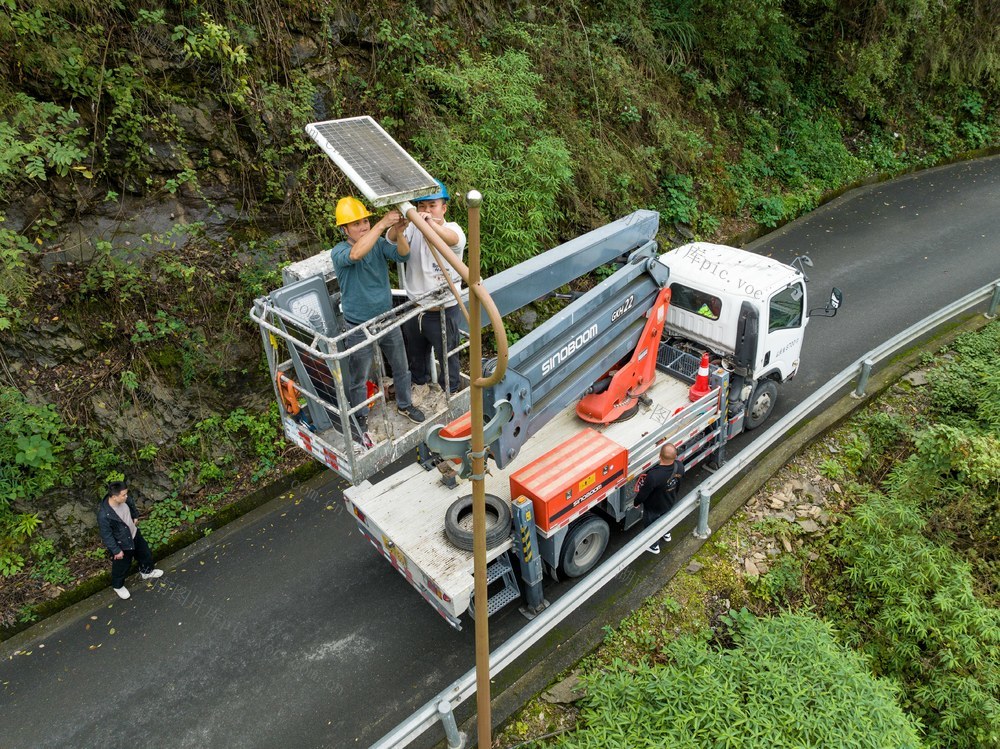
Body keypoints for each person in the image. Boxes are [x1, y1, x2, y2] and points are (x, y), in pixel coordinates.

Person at [330, 196, 425, 436]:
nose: (363, 226)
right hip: (358, 324)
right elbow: (355, 255)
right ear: (344, 230)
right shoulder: (340, 251)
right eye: (356, 224)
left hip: (386, 318)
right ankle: (360, 417)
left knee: (401, 366)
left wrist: (399, 231)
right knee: (359, 375)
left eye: (365, 221)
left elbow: (403, 255)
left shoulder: (379, 245)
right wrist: (382, 225)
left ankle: (405, 404)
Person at [390, 179, 466, 396]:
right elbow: (391, 238)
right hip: (415, 307)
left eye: (432, 206)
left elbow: (452, 240)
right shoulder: (413, 227)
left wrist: (430, 224)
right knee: (415, 355)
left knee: (448, 358)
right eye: (421, 206)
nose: (426, 211)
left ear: (444, 208)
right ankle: (420, 390)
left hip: (443, 311)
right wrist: (402, 226)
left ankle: (449, 396)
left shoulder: (453, 229)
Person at [96, 481, 164, 599]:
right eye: (123, 495)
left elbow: (131, 505)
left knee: (145, 553)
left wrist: (135, 516)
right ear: (114, 496)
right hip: (122, 543)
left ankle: (146, 572)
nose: (126, 496)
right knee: (122, 566)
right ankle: (118, 586)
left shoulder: (124, 499)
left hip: (134, 534)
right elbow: (106, 535)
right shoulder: (104, 515)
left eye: (126, 494)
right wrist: (116, 550)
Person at [633, 443, 685, 554]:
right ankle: (666, 534)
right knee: (665, 519)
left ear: (659, 456)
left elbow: (643, 493)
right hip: (669, 501)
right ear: (675, 456)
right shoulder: (679, 466)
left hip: (653, 507)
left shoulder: (654, 475)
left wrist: (636, 502)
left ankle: (653, 546)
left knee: (651, 526)